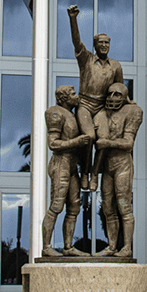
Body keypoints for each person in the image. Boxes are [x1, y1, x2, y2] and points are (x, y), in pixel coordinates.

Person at [67, 4, 124, 190]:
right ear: (95, 45)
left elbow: (120, 88)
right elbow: (76, 41)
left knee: (103, 139)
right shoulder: (86, 59)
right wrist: (73, 18)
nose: (104, 45)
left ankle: (94, 174)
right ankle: (84, 171)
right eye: (101, 43)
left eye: (107, 43)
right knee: (89, 136)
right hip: (84, 104)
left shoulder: (115, 66)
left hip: (101, 107)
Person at [91, 82, 142, 258]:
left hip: (122, 163)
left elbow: (128, 143)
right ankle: (112, 246)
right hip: (107, 165)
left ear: (124, 96)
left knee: (123, 205)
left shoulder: (133, 111)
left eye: (117, 94)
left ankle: (127, 247)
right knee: (107, 207)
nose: (112, 98)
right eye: (110, 93)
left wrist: (108, 143)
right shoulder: (101, 114)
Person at [41, 85, 89, 257]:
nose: (76, 97)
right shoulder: (54, 112)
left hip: (72, 164)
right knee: (56, 206)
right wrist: (76, 142)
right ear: (62, 98)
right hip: (60, 161)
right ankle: (46, 247)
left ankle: (68, 247)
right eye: (72, 94)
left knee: (74, 206)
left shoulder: (74, 114)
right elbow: (53, 143)